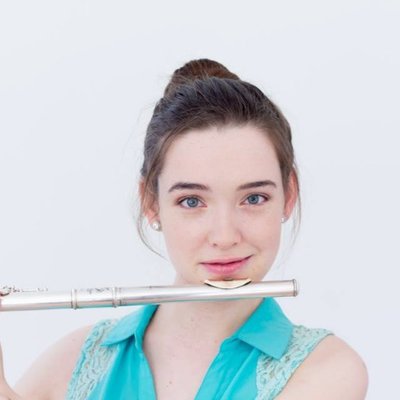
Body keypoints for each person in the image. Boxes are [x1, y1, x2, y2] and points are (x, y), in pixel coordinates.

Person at [0, 59, 368, 399]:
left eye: (253, 198)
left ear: (288, 195)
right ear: (151, 203)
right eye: (192, 201)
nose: (225, 236)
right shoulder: (75, 361)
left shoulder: (329, 370)